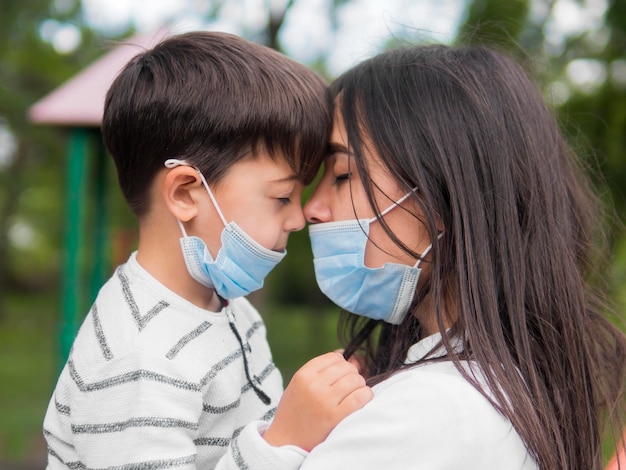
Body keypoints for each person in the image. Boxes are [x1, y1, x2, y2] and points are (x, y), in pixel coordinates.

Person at [256, 44, 626, 469]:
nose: (310, 208)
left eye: (342, 174)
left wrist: (277, 443)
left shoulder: (427, 415)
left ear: (442, 195)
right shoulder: (512, 390)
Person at [42, 31, 372, 469]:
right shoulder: (140, 359)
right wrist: (282, 439)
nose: (299, 217)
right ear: (185, 193)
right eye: (281, 197)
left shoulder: (226, 305)